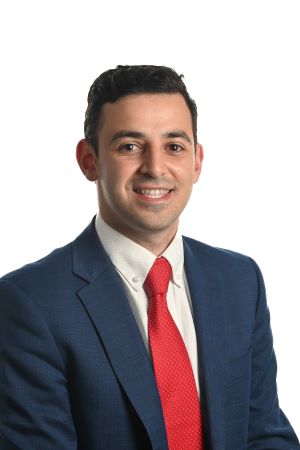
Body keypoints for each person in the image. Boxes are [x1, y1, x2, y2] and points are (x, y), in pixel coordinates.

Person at [0, 65, 299, 450]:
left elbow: (264, 434)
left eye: (174, 146)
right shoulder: (29, 303)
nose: (155, 167)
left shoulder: (240, 280)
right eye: (130, 146)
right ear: (88, 160)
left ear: (196, 161)